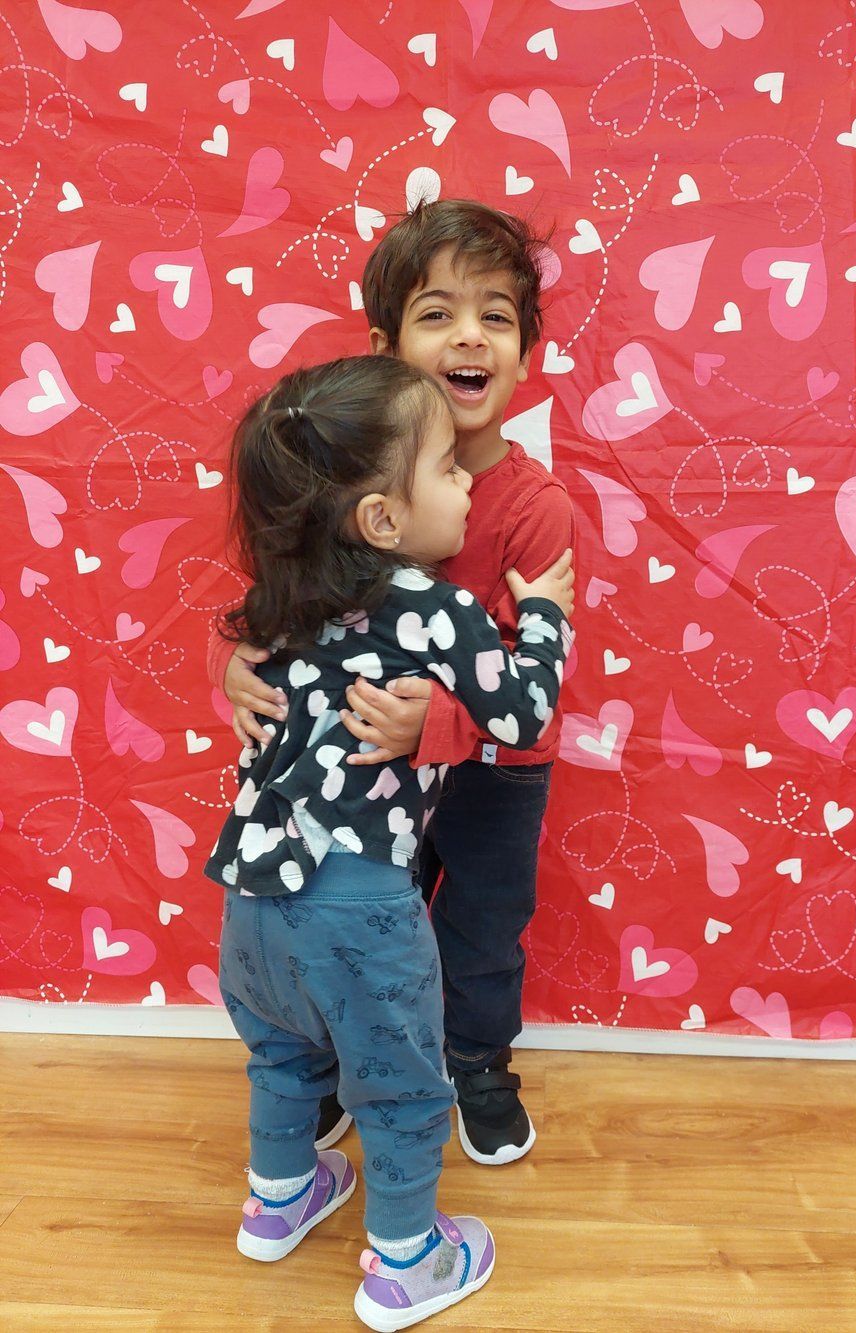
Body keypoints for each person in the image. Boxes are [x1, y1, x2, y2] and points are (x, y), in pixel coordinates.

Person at [206, 354, 574, 1330]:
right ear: (382, 520)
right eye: (449, 468)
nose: (466, 484)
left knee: (282, 1055)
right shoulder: (441, 608)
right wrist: (541, 615)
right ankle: (408, 1260)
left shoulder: (282, 604)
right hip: (357, 903)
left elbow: (234, 653)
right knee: (401, 1084)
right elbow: (525, 707)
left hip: (250, 892)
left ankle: (278, 1197)